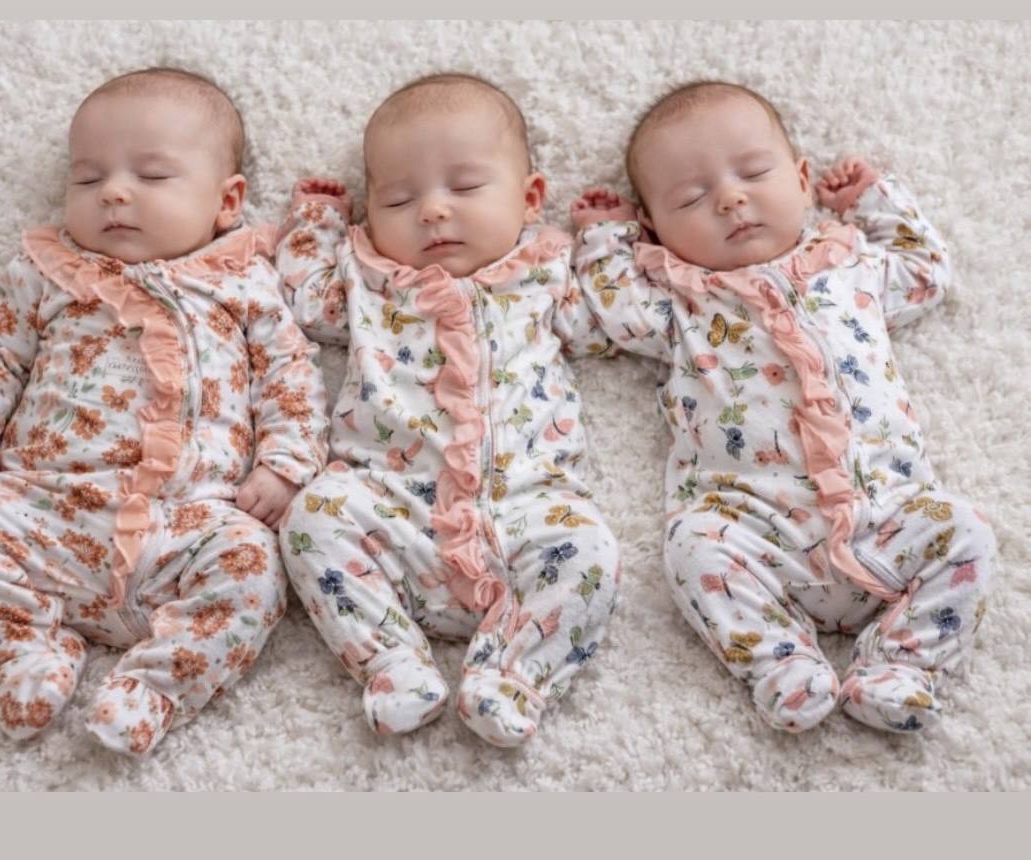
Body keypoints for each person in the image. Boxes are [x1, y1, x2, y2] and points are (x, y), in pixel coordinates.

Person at [0, 67, 330, 756]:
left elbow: (289, 374)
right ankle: (23, 646)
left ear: (226, 201)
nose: (115, 193)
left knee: (255, 564)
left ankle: (155, 686)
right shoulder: (48, 271)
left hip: (185, 522)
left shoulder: (244, 280)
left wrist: (283, 466)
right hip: (45, 508)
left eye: (151, 176)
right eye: (88, 178)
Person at [571, 79, 995, 733]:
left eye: (753, 173)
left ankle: (902, 664)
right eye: (691, 198)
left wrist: (870, 200)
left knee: (966, 532)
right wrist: (605, 239)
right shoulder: (682, 304)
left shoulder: (849, 266)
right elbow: (615, 312)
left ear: (801, 182)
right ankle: (781, 663)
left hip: (886, 516)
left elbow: (926, 271)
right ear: (654, 229)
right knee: (690, 547)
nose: (730, 199)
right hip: (755, 530)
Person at [273, 72, 621, 747]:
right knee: (313, 517)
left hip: (525, 507)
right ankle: (392, 663)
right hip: (390, 503)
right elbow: (305, 302)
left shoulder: (545, 271)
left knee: (590, 550)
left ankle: (512, 678)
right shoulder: (367, 277)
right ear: (369, 215)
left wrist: (605, 240)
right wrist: (314, 225)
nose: (432, 211)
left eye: (464, 188)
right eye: (399, 199)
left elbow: (607, 326)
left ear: (529, 199)